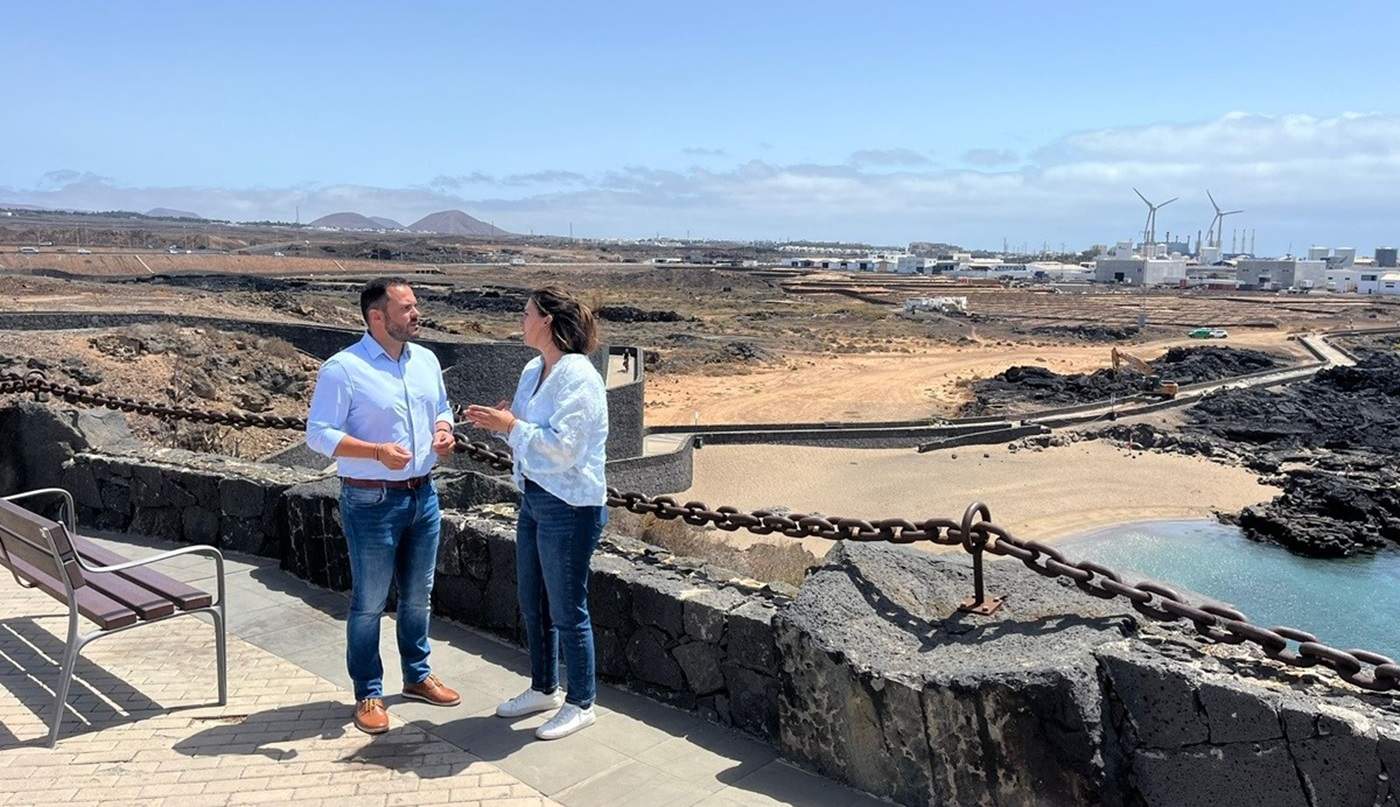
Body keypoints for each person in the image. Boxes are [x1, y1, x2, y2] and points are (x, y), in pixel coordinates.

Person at [305, 277, 461, 735]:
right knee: (370, 602)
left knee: (418, 596)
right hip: (371, 499)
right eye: (407, 308)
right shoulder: (343, 369)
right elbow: (319, 434)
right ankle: (368, 693)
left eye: (416, 306)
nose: (417, 314)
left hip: (423, 494)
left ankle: (416, 676)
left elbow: (443, 407)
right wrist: (374, 452)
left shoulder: (426, 360)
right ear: (378, 317)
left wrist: (444, 431)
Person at [465, 285, 609, 741]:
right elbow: (529, 430)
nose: (520, 319)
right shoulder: (533, 369)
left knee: (568, 608)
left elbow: (564, 447)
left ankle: (582, 701)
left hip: (569, 505)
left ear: (547, 320)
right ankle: (544, 687)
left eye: (526, 313)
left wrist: (511, 426)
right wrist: (506, 422)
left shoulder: (578, 376)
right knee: (533, 600)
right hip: (534, 497)